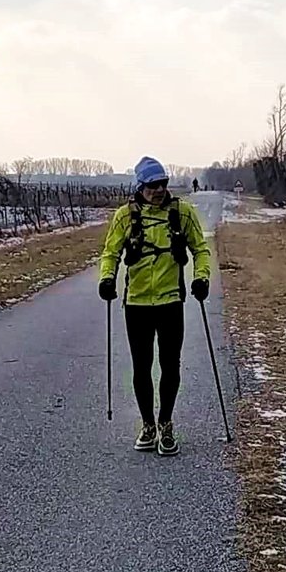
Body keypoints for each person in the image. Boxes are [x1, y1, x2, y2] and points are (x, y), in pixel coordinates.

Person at [98, 156, 212, 456]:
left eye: (163, 183)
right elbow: (110, 252)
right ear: (141, 186)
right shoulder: (125, 216)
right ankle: (147, 424)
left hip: (171, 301)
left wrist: (201, 278)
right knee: (141, 367)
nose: (159, 190)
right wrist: (106, 279)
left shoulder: (182, 213)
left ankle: (166, 424)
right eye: (153, 185)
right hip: (136, 303)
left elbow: (200, 250)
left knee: (170, 366)